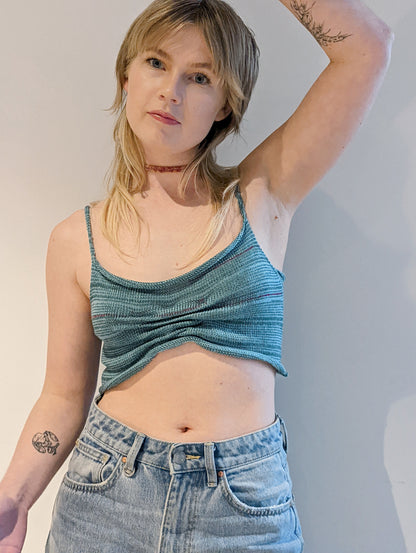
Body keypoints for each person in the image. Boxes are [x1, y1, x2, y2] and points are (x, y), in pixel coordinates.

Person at [0, 0, 393, 551]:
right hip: (106, 497)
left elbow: (366, 48)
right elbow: (63, 397)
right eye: (156, 63)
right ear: (126, 76)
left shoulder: (262, 194)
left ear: (225, 106)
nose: (172, 91)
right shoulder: (74, 240)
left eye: (200, 77)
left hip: (244, 506)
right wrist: (13, 498)